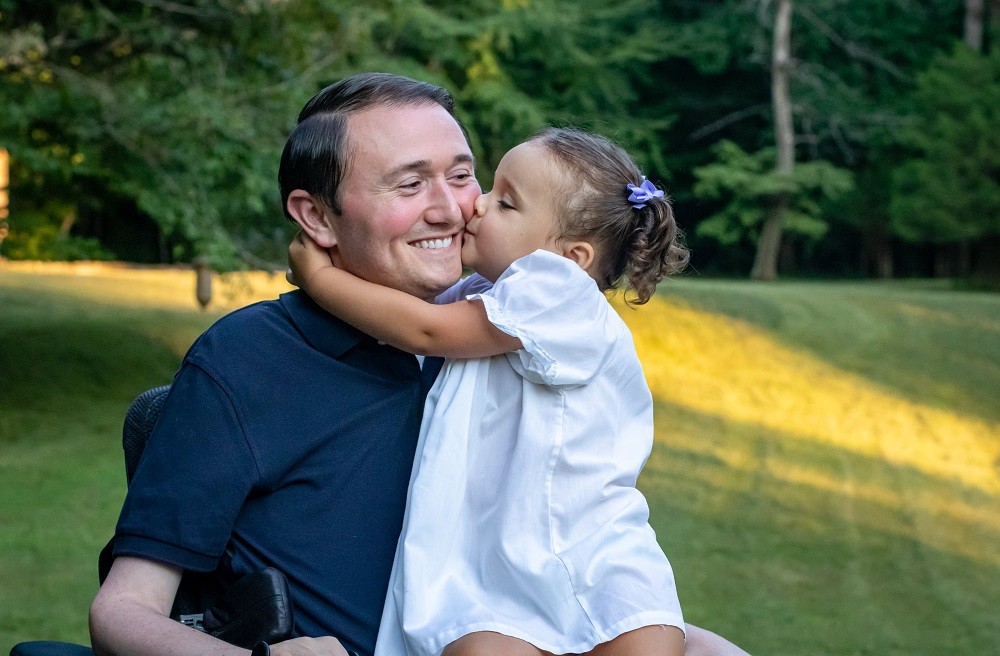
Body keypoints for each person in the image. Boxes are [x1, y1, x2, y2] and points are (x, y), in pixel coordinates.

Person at [89, 73, 749, 656]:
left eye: (462, 175)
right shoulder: (247, 360)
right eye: (410, 183)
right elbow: (121, 613)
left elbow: (580, 573)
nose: (453, 207)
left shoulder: (508, 351)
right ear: (315, 216)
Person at [288, 126, 687, 656]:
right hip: (515, 558)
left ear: (572, 256)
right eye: (490, 187)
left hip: (585, 547)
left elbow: (424, 329)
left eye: (507, 203)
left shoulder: (556, 290)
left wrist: (320, 278)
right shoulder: (490, 294)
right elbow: (409, 308)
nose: (476, 204)